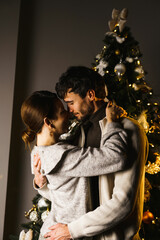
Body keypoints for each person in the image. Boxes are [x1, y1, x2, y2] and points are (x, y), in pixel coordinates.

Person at [35, 66, 148, 240]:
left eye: (71, 102)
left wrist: (72, 230)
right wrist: (43, 184)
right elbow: (72, 194)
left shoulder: (128, 129)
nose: (68, 110)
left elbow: (123, 202)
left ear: (90, 95)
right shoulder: (79, 132)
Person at [21, 90, 128, 240]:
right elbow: (116, 157)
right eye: (62, 111)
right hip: (63, 235)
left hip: (53, 231)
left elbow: (60, 192)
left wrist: (41, 184)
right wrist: (112, 123)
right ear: (48, 122)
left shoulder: (38, 152)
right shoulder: (63, 156)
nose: (69, 113)